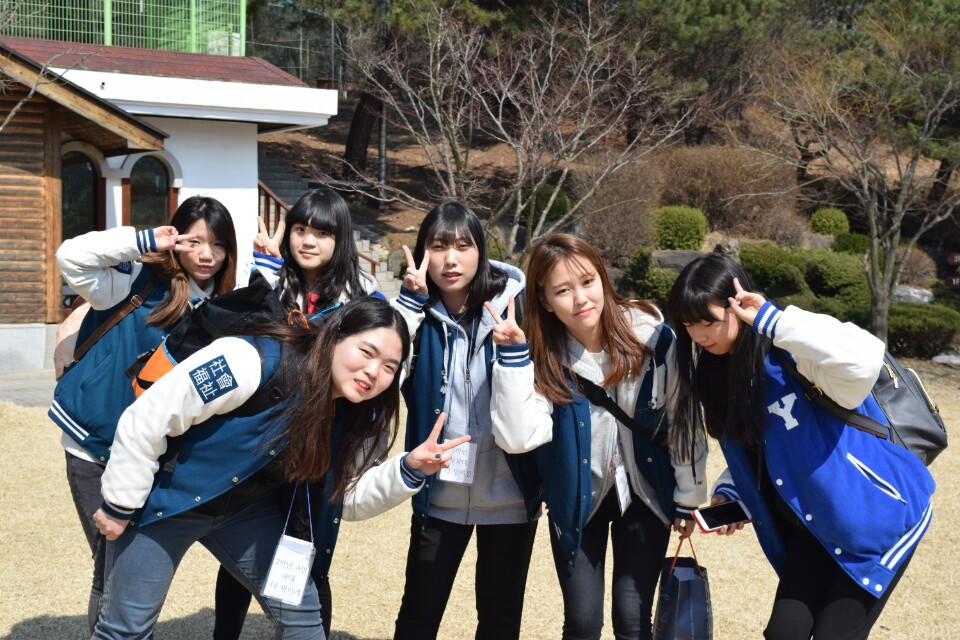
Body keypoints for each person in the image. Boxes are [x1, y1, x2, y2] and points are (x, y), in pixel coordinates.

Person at [91, 296, 469, 640]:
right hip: (168, 500)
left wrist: (408, 469)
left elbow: (345, 497)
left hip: (245, 511)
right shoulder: (253, 359)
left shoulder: (351, 413)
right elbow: (148, 418)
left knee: (303, 619)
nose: (373, 372)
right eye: (366, 352)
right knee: (126, 630)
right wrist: (120, 504)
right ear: (335, 336)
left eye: (389, 367)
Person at [665, 253, 936, 639]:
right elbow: (763, 447)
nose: (700, 335)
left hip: (877, 517)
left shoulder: (793, 352)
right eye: (690, 325)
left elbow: (864, 359)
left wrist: (773, 320)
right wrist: (732, 490)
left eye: (708, 322)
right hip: (816, 523)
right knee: (783, 633)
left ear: (738, 306)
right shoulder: (716, 374)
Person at [488, 233, 707, 640]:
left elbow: (684, 419)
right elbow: (518, 438)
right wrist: (514, 357)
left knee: (633, 619)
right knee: (583, 622)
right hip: (577, 497)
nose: (581, 299)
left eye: (588, 282)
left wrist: (688, 497)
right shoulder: (540, 354)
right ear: (544, 300)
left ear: (602, 278)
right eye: (562, 290)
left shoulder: (653, 338)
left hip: (645, 494)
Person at [51, 195, 240, 635]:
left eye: (218, 244)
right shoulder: (135, 279)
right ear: (176, 239)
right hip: (94, 444)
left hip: (149, 456)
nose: (206, 254)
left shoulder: (226, 306)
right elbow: (70, 257)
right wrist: (144, 241)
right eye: (194, 241)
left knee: (123, 562)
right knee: (111, 561)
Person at [217, 187, 383, 639]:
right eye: (300, 229)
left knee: (310, 553)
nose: (308, 241)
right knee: (241, 555)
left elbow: (382, 361)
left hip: (323, 444)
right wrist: (263, 275)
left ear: (341, 239)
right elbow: (240, 337)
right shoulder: (272, 279)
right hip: (264, 437)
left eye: (322, 233)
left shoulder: (362, 297)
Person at [391, 201, 542, 640]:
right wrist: (408, 307)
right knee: (417, 616)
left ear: (481, 251)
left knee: (499, 621)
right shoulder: (415, 318)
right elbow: (384, 374)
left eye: (463, 246)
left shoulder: (518, 308)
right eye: (438, 246)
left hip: (510, 495)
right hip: (439, 493)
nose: (450, 259)